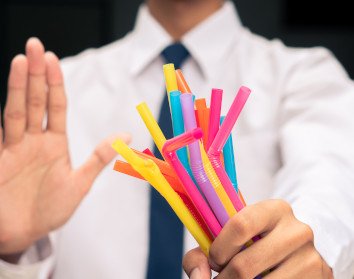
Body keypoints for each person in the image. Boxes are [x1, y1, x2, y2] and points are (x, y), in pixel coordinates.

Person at [1, 0, 354, 278]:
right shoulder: (58, 87)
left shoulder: (307, 76)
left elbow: (331, 181)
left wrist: (306, 244)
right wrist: (12, 252)